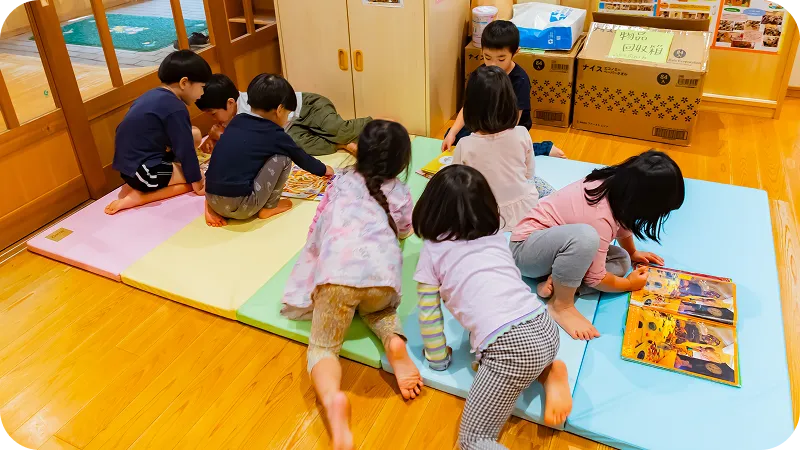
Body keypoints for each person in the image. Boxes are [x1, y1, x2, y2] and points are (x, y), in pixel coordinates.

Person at [281, 120, 423, 450]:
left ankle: (332, 398)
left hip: (337, 280)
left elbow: (318, 227)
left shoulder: (340, 182)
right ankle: (393, 343)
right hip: (381, 282)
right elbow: (405, 231)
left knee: (323, 348)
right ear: (402, 163)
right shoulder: (400, 192)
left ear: (358, 152)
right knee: (380, 312)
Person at [413, 164, 572, 449]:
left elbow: (429, 315)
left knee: (473, 441)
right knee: (499, 361)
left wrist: (437, 359)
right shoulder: (497, 237)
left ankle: (541, 371)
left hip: (511, 350)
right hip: (545, 326)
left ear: (429, 208)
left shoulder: (431, 252)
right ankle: (548, 372)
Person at [510, 150, 685, 340]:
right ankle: (561, 304)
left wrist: (632, 252)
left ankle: (556, 281)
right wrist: (629, 284)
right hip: (526, 251)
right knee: (587, 237)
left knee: (622, 260)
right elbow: (596, 278)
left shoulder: (619, 188)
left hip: (556, 249)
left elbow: (623, 223)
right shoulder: (599, 217)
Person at [203, 74, 334, 227]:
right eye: (287, 114)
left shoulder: (236, 121)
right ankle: (269, 207)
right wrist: (324, 169)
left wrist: (210, 205)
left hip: (212, 201)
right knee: (283, 158)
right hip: (241, 207)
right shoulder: (276, 134)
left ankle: (214, 207)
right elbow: (301, 157)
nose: (287, 118)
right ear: (279, 110)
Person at [105, 50, 211, 215]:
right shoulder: (176, 108)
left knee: (194, 134)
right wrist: (197, 181)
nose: (202, 94)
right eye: (202, 87)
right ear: (184, 83)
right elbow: (184, 148)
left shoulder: (154, 95)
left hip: (131, 167)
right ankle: (140, 197)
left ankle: (146, 185)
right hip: (145, 171)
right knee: (196, 177)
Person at [441, 20, 566, 159]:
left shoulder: (520, 80)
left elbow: (515, 120)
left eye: (501, 59)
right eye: (487, 57)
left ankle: (542, 148)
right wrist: (453, 132)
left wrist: (491, 139)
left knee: (505, 149)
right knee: (455, 136)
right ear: (482, 51)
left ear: (515, 52)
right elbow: (468, 107)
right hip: (484, 122)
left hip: (509, 127)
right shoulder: (481, 74)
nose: (493, 65)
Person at [195, 73, 371, 156]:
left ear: (230, 103)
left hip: (308, 107)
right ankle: (343, 144)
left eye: (213, 114)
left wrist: (222, 137)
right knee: (303, 148)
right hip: (288, 126)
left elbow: (253, 143)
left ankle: (374, 124)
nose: (214, 119)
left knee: (336, 128)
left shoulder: (250, 109)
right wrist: (212, 140)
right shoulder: (227, 116)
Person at [454, 65, 541, 231]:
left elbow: (457, 185)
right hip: (523, 209)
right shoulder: (522, 133)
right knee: (539, 184)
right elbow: (529, 173)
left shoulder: (465, 144)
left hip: (484, 215)